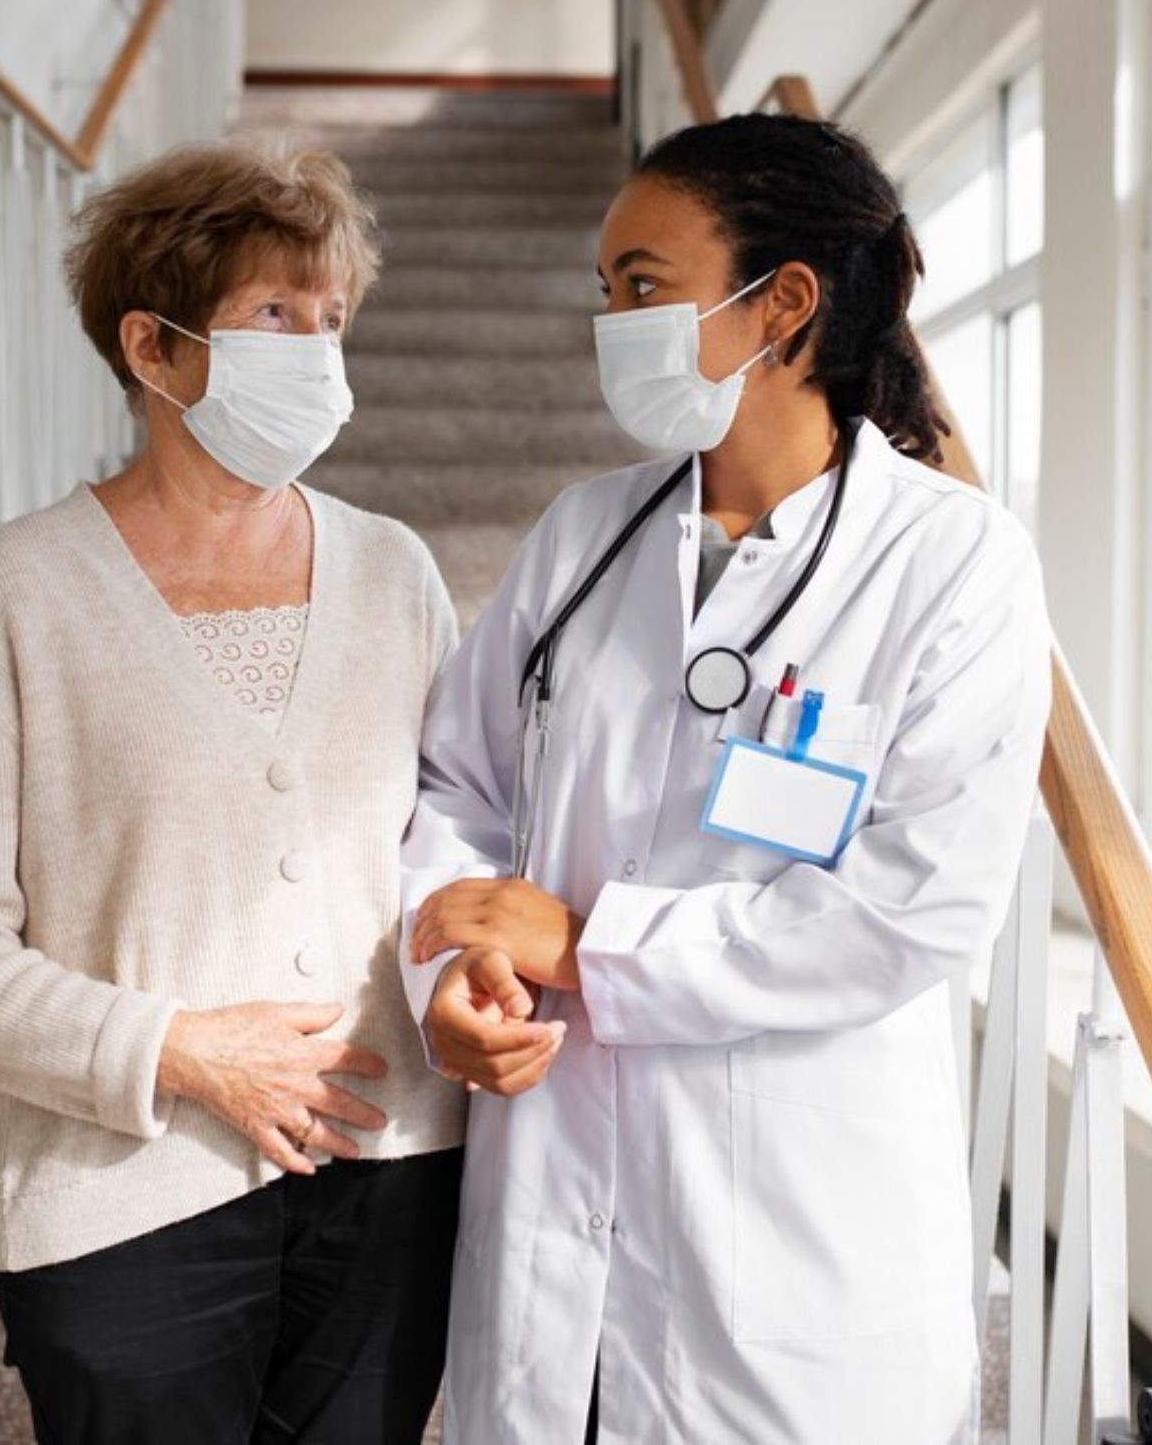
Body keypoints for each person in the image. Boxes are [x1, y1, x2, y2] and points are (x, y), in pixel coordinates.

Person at [398, 114, 1053, 1444]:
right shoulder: (585, 536)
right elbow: (454, 785)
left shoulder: (950, 564)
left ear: (785, 305)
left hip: (791, 1255)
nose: (610, 320)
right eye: (606, 292)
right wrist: (447, 977)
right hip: (552, 1231)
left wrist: (587, 947)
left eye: (644, 286)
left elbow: (912, 910)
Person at [0, 140, 466, 1445]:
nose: (317, 356)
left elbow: (458, 836)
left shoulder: (393, 571)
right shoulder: (13, 593)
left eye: (331, 322)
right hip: (122, 1193)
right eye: (274, 317)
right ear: (155, 348)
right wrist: (177, 1051)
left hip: (396, 1175)